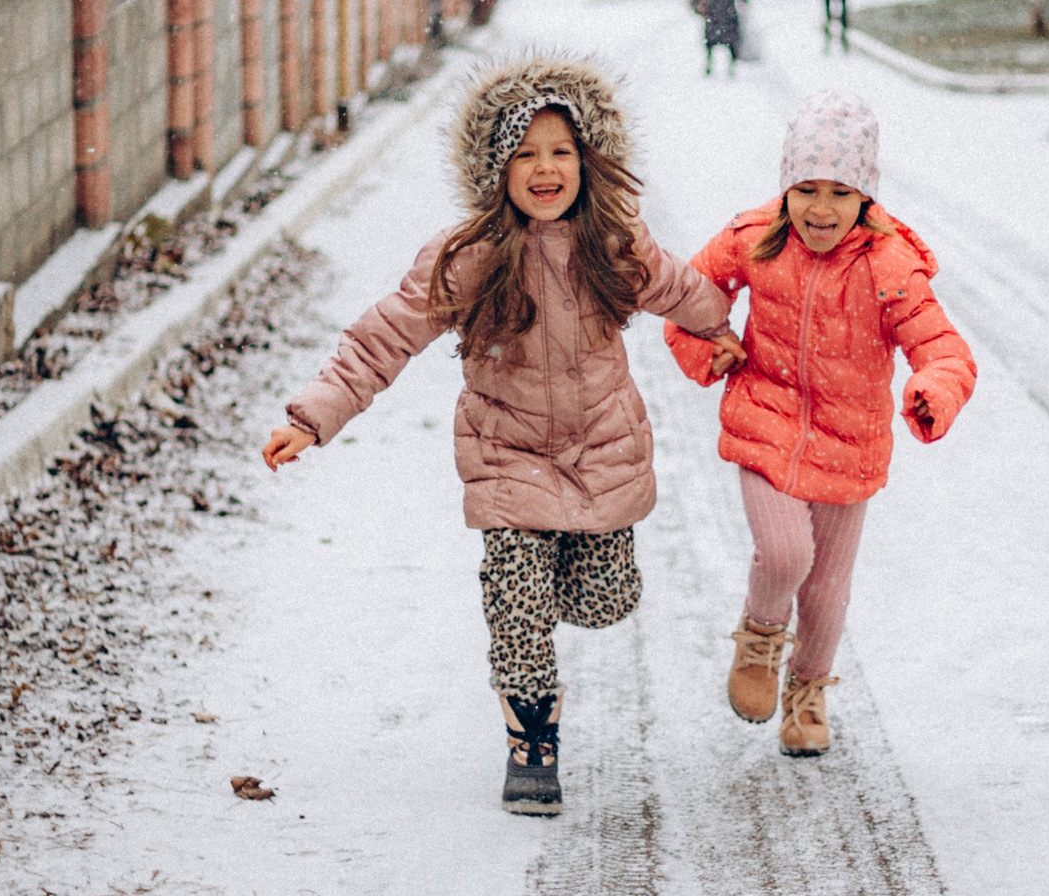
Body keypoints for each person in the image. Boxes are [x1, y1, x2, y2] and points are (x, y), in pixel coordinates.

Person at [262, 57, 747, 814]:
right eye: (524, 153)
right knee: (519, 599)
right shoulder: (469, 256)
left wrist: (717, 327)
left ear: (587, 161)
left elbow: (677, 286)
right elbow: (384, 335)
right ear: (497, 169)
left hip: (601, 455)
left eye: (560, 151)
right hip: (508, 455)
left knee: (606, 599)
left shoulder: (613, 242)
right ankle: (532, 741)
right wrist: (311, 415)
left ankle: (533, 602)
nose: (545, 168)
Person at [664, 94, 976, 757]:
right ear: (786, 188)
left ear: (866, 196)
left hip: (850, 444)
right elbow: (688, 294)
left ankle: (807, 694)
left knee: (829, 594)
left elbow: (944, 351)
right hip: (765, 422)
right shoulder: (755, 238)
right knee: (785, 554)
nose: (821, 208)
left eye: (840, 191)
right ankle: (759, 638)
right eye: (806, 189)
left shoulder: (889, 265)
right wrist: (710, 341)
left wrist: (933, 390)